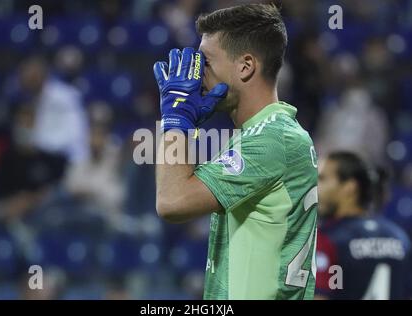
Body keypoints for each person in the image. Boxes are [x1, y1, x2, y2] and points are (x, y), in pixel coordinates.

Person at [153, 4, 318, 299]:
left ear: (245, 66)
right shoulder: (264, 132)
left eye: (206, 61)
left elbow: (172, 201)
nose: (197, 73)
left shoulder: (271, 139)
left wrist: (176, 119)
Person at [315, 151, 412, 299]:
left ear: (349, 187)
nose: (315, 187)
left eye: (322, 179)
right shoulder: (400, 238)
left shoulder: (328, 239)